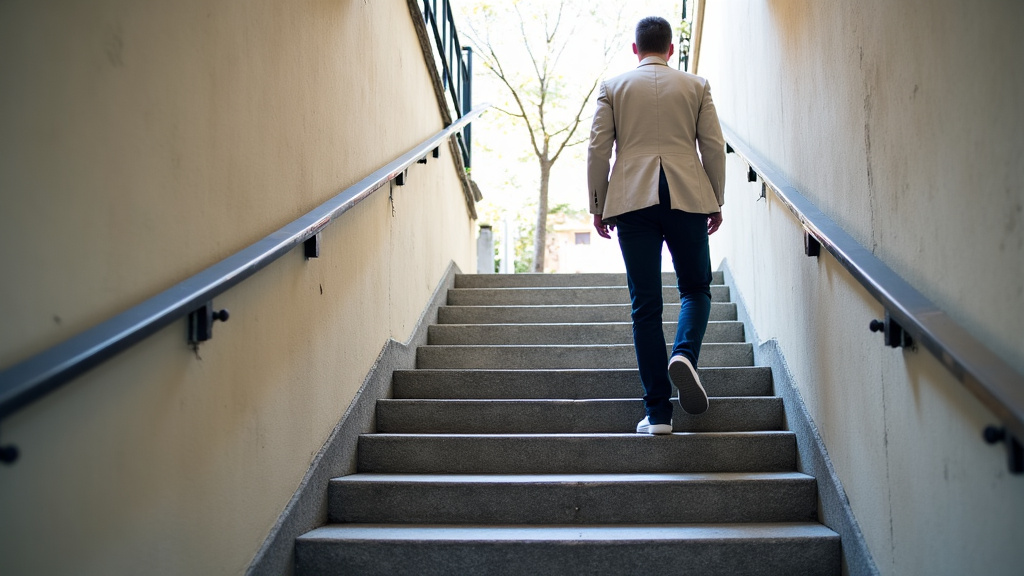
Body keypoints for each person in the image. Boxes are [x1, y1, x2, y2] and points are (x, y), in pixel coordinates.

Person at [587, 16, 726, 435]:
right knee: (696, 289)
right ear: (669, 49)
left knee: (645, 306)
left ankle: (659, 414)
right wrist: (715, 199)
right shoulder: (696, 86)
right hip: (686, 195)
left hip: (632, 201)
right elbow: (714, 146)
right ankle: (684, 354)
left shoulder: (613, 87)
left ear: (635, 49)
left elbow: (597, 150)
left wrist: (599, 204)